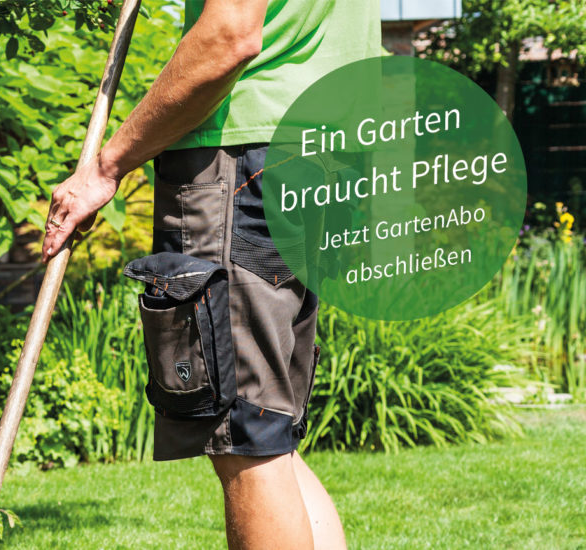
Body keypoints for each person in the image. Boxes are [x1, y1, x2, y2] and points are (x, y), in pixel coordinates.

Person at [42, 1, 381, 548]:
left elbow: (229, 36)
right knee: (272, 432)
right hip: (329, 147)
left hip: (244, 156)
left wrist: (107, 167)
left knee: (246, 435)